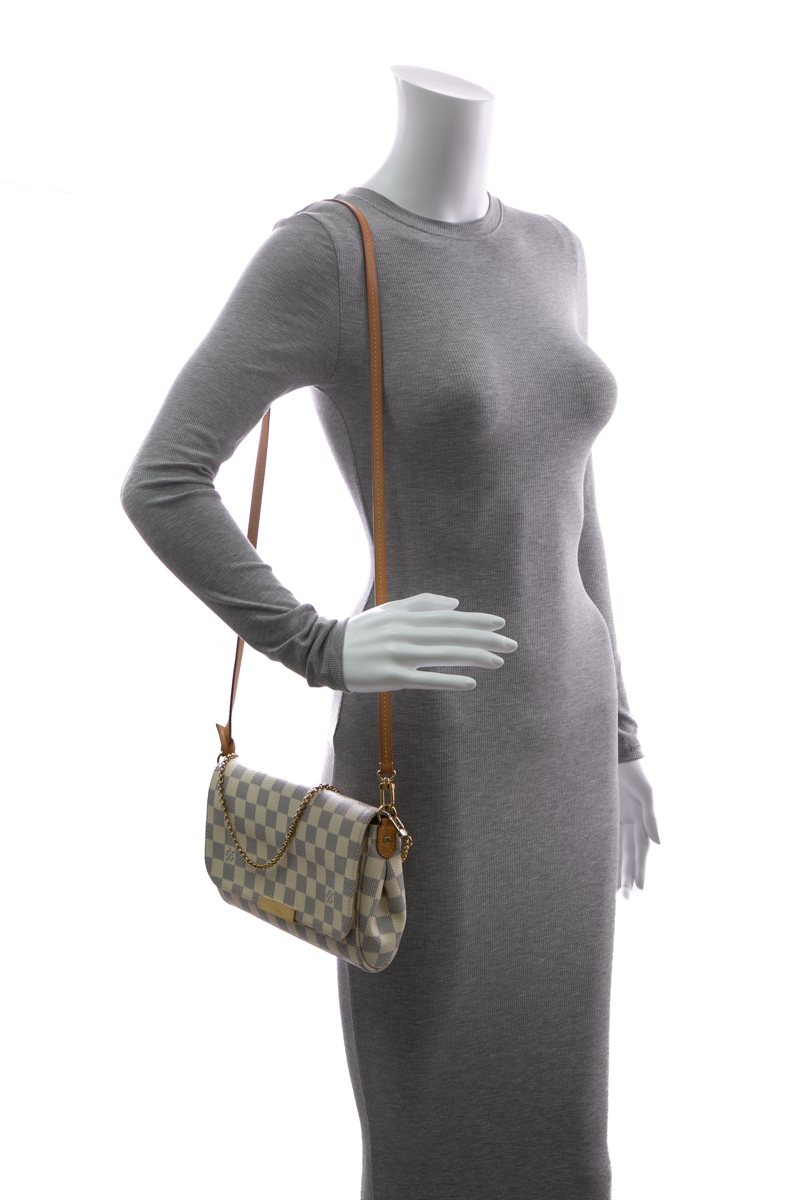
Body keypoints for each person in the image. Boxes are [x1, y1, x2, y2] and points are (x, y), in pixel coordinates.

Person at [121, 63, 660, 1200]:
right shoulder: (329, 254)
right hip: (432, 748)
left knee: (561, 1108)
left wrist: (619, 739)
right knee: (433, 1107)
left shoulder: (556, 250)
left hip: (565, 745)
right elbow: (164, 481)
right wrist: (315, 644)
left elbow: (574, 504)